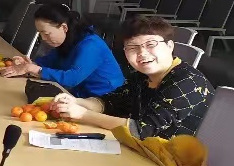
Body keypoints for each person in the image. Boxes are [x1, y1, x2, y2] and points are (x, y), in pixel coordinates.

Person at [52, 16, 214, 139]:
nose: (142, 53)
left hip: (178, 164)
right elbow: (111, 102)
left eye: (150, 45)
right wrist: (77, 102)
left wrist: (83, 114)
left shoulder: (188, 82)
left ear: (169, 46)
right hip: (147, 152)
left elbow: (142, 130)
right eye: (132, 47)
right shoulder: (141, 77)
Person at [0, 4, 124, 98]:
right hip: (80, 94)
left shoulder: (91, 45)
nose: (43, 38)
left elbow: (72, 78)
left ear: (64, 27)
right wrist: (29, 64)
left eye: (46, 33)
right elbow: (49, 61)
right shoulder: (68, 39)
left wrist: (34, 69)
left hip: (107, 99)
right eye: (40, 34)